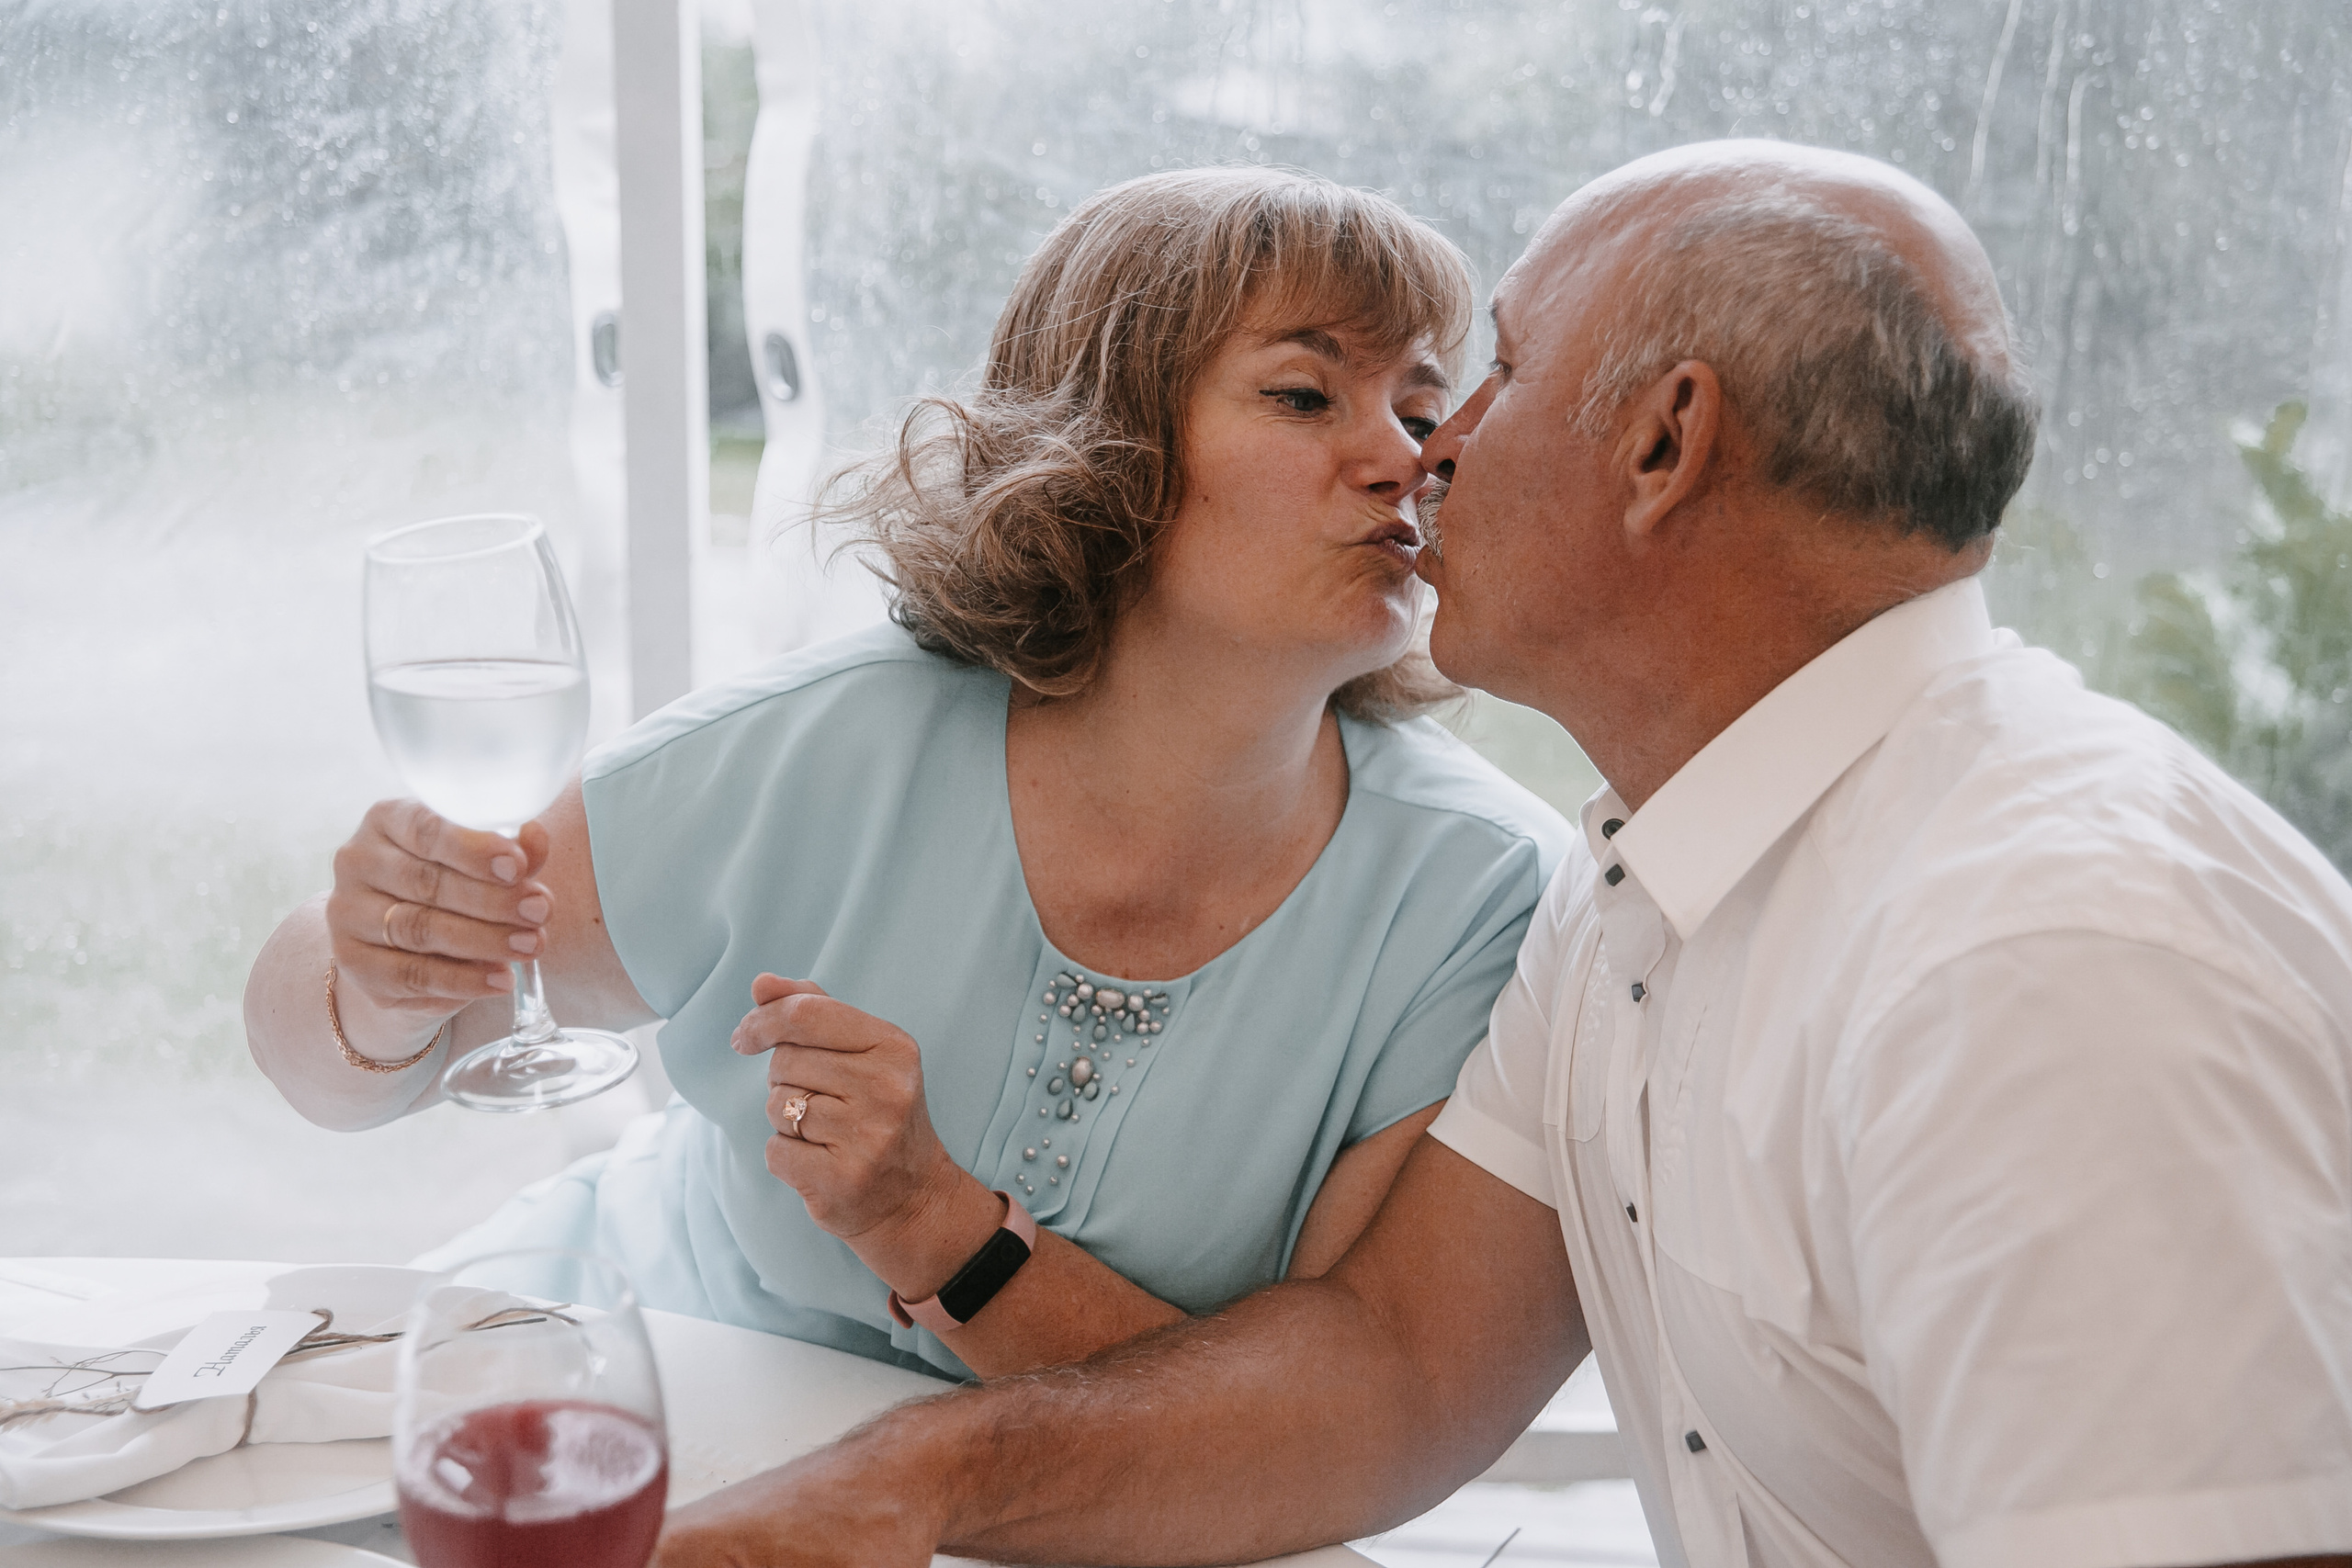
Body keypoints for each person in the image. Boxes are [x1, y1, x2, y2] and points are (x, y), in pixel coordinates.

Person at [650, 141, 2352, 1568]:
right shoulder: (1638, 892)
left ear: (1664, 446)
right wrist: (906, 1486)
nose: (1432, 451)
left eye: (1500, 372)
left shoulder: (2045, 969)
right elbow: (1389, 1371)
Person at [243, 164, 1571, 1383]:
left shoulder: (1482, 895)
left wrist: (936, 1227)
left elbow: (1318, 1419)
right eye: (1305, 394)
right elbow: (348, 1074)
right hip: (626, 1377)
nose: (1414, 461)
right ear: (1112, 447)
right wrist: (377, 970)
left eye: (1421, 405)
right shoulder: (824, 746)